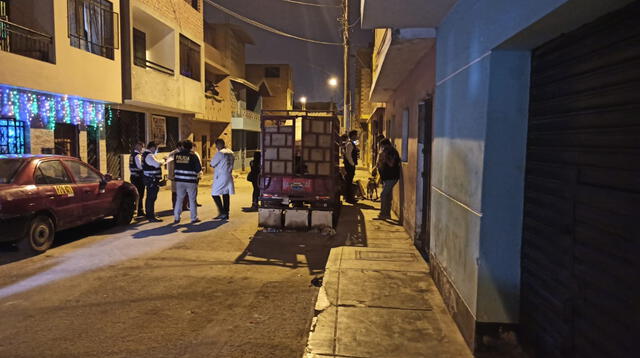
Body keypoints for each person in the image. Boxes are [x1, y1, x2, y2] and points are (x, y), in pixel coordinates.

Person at [173, 140, 202, 224]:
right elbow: (198, 169)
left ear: (182, 146)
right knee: (192, 200)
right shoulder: (193, 156)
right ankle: (193, 218)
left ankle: (177, 217)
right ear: (191, 147)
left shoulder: (177, 155)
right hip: (190, 181)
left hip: (179, 181)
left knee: (179, 199)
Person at [210, 139, 235, 220]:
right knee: (225, 193)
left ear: (219, 145)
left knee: (214, 193)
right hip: (228, 175)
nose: (216, 147)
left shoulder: (220, 153)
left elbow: (212, 164)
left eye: (216, 145)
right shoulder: (231, 152)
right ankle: (226, 212)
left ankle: (222, 212)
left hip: (220, 176)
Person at [376, 139, 400, 220]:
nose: (382, 148)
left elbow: (391, 164)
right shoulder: (388, 151)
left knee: (383, 195)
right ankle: (387, 214)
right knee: (388, 196)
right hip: (387, 177)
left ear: (386, 145)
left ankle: (383, 214)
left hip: (392, 177)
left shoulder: (392, 152)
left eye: (383, 146)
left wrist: (384, 157)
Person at [142, 141, 165, 222]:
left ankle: (150, 214)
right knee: (151, 198)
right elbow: (157, 164)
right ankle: (151, 216)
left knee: (150, 197)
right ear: (152, 147)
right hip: (152, 180)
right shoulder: (149, 156)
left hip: (151, 179)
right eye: (156, 148)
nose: (156, 150)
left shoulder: (146, 154)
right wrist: (163, 160)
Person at [167, 141, 188, 211]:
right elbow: (170, 165)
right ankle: (176, 206)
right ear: (179, 146)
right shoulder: (173, 154)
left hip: (182, 175)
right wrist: (171, 176)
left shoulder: (182, 153)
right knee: (175, 192)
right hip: (175, 176)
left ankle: (184, 206)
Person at [129, 141, 145, 217]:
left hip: (133, 176)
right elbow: (140, 167)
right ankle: (140, 211)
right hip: (138, 177)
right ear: (138, 146)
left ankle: (137, 210)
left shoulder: (132, 155)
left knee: (136, 194)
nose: (142, 148)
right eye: (142, 147)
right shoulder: (137, 156)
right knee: (140, 194)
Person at [343, 130, 359, 204]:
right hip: (349, 166)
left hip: (350, 165)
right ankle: (349, 198)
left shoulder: (351, 143)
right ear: (353, 135)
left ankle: (349, 197)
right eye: (356, 135)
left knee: (349, 181)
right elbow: (348, 155)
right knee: (348, 181)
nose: (357, 136)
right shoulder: (349, 144)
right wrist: (352, 164)